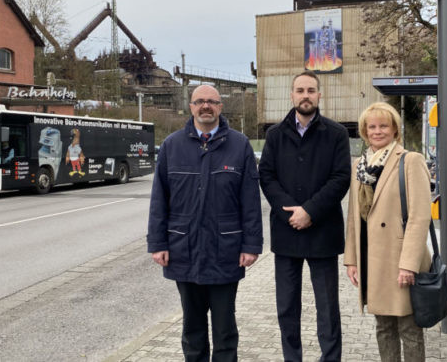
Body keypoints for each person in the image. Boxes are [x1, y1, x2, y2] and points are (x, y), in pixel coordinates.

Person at [147, 84, 263, 362]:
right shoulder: (172, 146)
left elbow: (250, 200)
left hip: (226, 252)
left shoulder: (239, 145)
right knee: (192, 328)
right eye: (200, 101)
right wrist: (158, 243)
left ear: (221, 107)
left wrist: (251, 245)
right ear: (191, 107)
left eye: (212, 101)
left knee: (225, 330)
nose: (206, 106)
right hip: (183, 250)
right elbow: (159, 200)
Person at [259, 70, 351, 362]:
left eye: (311, 90)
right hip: (287, 234)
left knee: (327, 307)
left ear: (319, 95)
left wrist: (310, 211)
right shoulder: (274, 135)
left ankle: (330, 358)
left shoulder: (336, 133)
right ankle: (292, 358)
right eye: (300, 90)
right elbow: (267, 176)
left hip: (323, 232)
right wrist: (291, 213)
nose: (305, 95)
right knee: (286, 306)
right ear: (292, 95)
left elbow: (340, 178)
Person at [344, 102, 432, 362]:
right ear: (364, 131)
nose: (377, 131)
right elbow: (354, 216)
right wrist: (351, 259)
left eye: (384, 126)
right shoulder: (360, 165)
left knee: (409, 329)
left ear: (395, 129)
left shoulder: (410, 161)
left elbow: (420, 217)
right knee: (383, 328)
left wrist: (409, 265)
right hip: (373, 260)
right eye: (372, 126)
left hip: (400, 259)